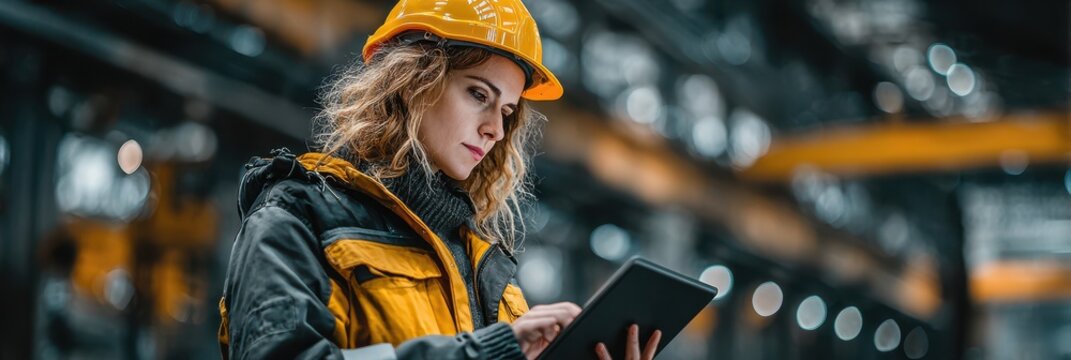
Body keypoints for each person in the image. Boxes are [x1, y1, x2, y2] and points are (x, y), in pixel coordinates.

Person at [217, 1, 661, 359]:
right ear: (411, 82)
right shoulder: (299, 217)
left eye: (506, 111)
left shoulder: (483, 263)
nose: (496, 129)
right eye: (478, 94)